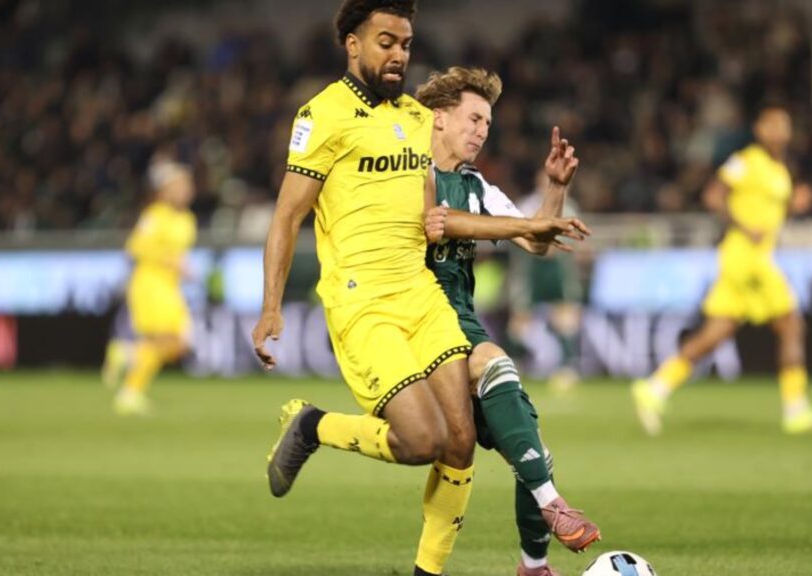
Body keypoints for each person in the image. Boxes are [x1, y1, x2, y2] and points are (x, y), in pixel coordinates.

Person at [249, 3, 580, 574]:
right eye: (386, 42)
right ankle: (313, 424)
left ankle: (430, 571)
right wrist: (271, 306)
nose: (399, 54)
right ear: (353, 44)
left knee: (459, 441)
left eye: (405, 44)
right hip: (363, 302)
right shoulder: (323, 115)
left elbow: (435, 211)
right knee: (423, 439)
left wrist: (530, 205)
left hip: (422, 297)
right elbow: (287, 216)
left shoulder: (414, 118)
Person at [417, 67, 601, 576]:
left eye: (488, 124)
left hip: (461, 320)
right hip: (414, 315)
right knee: (497, 366)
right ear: (439, 118)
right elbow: (439, 225)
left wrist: (555, 189)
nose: (482, 131)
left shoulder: (475, 185)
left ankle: (533, 566)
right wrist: (526, 222)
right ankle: (553, 504)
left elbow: (536, 242)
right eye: (474, 119)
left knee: (533, 452)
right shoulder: (407, 172)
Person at [631, 104, 812, 436]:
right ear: (759, 130)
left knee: (716, 333)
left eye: (784, 125)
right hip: (747, 258)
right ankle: (796, 410)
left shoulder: (779, 169)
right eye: (772, 124)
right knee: (791, 325)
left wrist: (792, 205)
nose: (779, 131)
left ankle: (655, 387)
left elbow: (770, 210)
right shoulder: (746, 161)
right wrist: (744, 226)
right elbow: (714, 196)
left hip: (747, 259)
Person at [113, 161, 196, 415]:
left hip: (170, 287)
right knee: (166, 339)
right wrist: (170, 261)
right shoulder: (155, 215)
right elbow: (135, 246)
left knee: (180, 343)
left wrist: (182, 268)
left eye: (186, 185)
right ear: (165, 190)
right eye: (178, 186)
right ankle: (130, 392)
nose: (184, 191)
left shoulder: (188, 219)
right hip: (149, 284)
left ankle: (126, 354)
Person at [507, 168, 586, 393]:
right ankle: (514, 365)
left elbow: (577, 239)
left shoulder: (569, 207)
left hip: (559, 268)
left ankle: (567, 368)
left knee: (565, 315)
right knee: (521, 317)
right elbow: (516, 233)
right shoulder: (527, 205)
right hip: (531, 268)